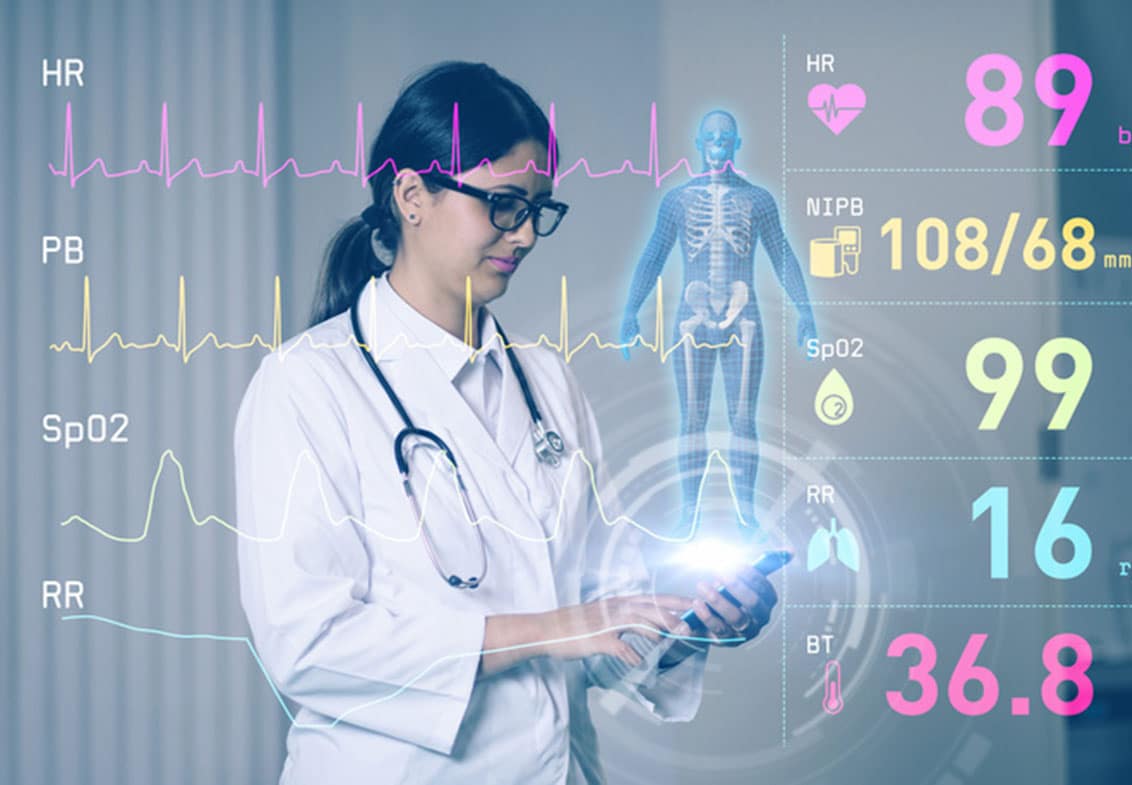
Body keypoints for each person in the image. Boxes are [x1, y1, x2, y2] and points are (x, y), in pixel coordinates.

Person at [234, 61, 781, 785]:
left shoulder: (544, 379)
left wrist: (684, 624)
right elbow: (309, 646)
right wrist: (552, 629)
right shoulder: (308, 384)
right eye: (503, 204)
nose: (523, 236)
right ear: (411, 195)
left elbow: (596, 626)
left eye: (538, 210)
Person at [619, 110, 818, 541]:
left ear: (737, 144)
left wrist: (805, 310)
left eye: (726, 136)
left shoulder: (759, 200)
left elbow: (782, 256)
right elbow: (654, 255)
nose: (718, 142)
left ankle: (745, 514)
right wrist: (631, 310)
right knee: (692, 420)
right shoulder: (677, 201)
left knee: (743, 421)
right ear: (697, 140)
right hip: (693, 319)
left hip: (743, 317)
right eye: (711, 135)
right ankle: (689, 512)